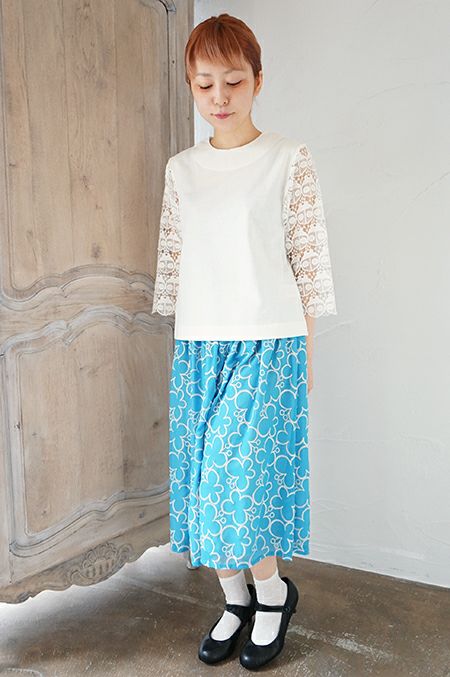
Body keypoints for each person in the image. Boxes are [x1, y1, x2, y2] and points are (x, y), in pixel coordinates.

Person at [151, 12, 337, 671]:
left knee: (242, 483)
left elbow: (309, 263)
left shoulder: (288, 159)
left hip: (268, 343)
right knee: (203, 485)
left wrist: (307, 352)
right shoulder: (182, 169)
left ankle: (273, 594)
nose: (220, 97)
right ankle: (236, 601)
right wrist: (182, 346)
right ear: (191, 86)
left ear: (259, 80)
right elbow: (174, 262)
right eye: (205, 85)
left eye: (233, 81)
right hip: (200, 346)